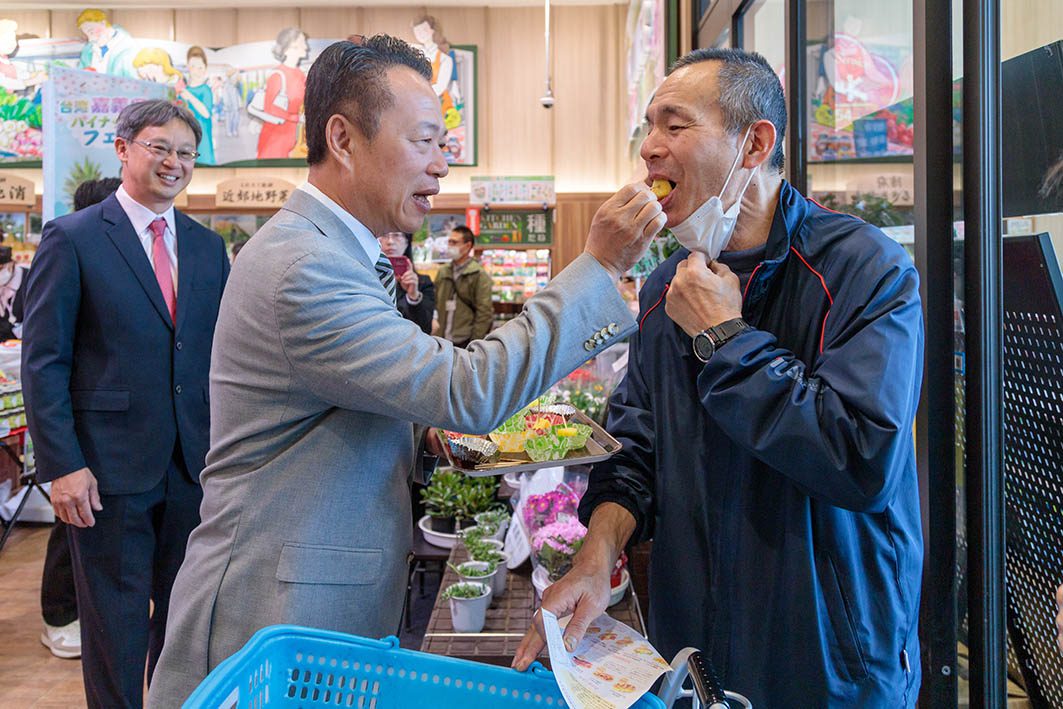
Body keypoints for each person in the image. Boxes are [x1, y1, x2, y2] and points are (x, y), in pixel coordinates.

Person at [148, 34, 664, 706]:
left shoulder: (335, 252)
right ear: (343, 138)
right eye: (424, 141)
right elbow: (466, 388)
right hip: (275, 609)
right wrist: (598, 267)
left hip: (316, 596)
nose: (441, 165)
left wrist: (424, 437)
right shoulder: (305, 268)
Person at [514, 48, 924, 707]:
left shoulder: (863, 268)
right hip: (695, 649)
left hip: (828, 659)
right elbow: (635, 448)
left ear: (754, 142)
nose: (649, 148)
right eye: (647, 128)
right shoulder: (662, 286)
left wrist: (724, 337)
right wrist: (595, 556)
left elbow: (861, 457)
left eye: (674, 127)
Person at [21, 99, 230, 708]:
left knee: (184, 627)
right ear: (123, 149)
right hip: (105, 472)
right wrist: (62, 465)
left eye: (186, 153)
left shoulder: (205, 247)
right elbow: (44, 361)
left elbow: (214, 357)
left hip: (193, 468)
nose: (173, 162)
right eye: (159, 147)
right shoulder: (74, 237)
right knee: (114, 631)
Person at [33, 176, 122, 661]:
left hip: (120, 440)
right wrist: (60, 454)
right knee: (69, 527)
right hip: (77, 427)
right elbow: (44, 358)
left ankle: (73, 614)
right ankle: (58, 615)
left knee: (90, 530)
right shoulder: (68, 242)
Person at [434, 225, 493, 346]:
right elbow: (434, 301)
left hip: (463, 340)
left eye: (454, 242)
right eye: (449, 242)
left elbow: (485, 312)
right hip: (441, 339)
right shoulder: (443, 271)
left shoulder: (479, 275)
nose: (450, 246)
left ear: (467, 246)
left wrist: (474, 342)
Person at [255, 27, 308, 159]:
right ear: (291, 46)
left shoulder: (301, 75)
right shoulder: (278, 75)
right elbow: (269, 108)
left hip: (293, 134)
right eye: (302, 42)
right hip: (275, 135)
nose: (306, 46)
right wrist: (293, 118)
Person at [378, 231, 435, 334]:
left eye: (396, 235)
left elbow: (425, 329)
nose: (390, 242)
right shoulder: (368, 278)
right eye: (385, 235)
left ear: (406, 242)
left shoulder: (423, 283)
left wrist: (413, 296)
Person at [180, 47, 215, 164]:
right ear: (188, 68)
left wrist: (190, 97)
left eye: (200, 67)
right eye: (193, 67)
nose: (197, 71)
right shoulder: (183, 91)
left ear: (205, 68)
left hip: (202, 137)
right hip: (184, 137)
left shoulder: (205, 90)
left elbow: (206, 114)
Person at [76, 9, 134, 77]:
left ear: (102, 23)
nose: (90, 39)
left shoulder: (126, 47)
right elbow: (80, 75)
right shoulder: (88, 49)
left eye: (91, 32)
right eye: (86, 35)